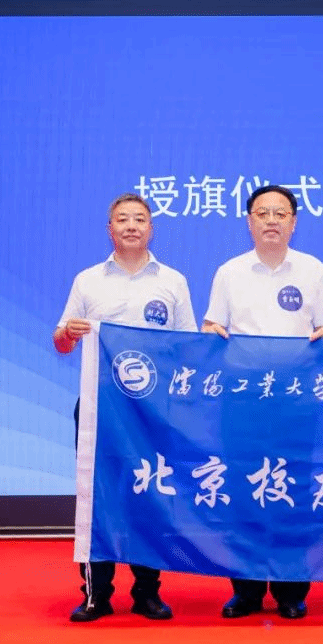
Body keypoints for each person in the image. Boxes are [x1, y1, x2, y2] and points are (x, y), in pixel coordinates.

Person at [54, 192, 198, 622]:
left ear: (151, 228)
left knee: (152, 493)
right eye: (122, 219)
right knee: (98, 495)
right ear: (110, 229)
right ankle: (95, 593)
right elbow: (61, 342)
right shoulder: (88, 281)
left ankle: (147, 592)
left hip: (154, 411)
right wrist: (69, 333)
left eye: (139, 219)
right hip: (100, 409)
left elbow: (189, 345)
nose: (131, 225)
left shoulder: (172, 281)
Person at [203, 185, 323, 620]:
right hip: (244, 399)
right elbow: (211, 327)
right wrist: (211, 334)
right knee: (243, 488)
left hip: (296, 400)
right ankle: (245, 589)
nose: (271, 220)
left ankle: (290, 589)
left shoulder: (313, 270)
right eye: (262, 213)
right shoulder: (230, 272)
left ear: (294, 222)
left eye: (280, 213)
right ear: (249, 221)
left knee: (292, 488)